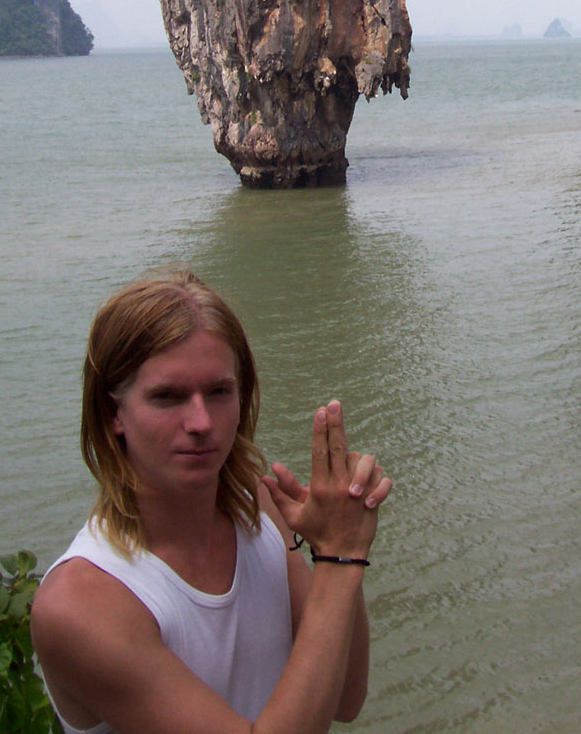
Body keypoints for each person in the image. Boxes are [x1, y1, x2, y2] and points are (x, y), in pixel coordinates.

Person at [31, 270, 391, 734]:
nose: (201, 421)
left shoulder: (256, 506)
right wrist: (342, 558)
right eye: (168, 397)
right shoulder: (82, 603)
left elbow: (345, 697)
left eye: (219, 391)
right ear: (113, 412)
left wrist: (330, 549)